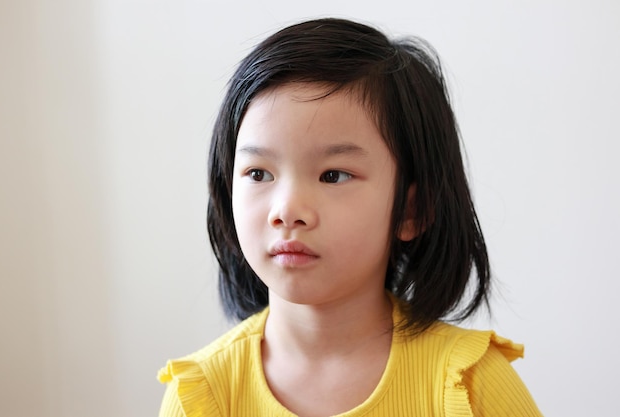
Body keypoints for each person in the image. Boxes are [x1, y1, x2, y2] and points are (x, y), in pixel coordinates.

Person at [157, 17, 542, 417]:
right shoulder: (202, 396)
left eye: (333, 175)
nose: (287, 210)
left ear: (412, 210)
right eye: (259, 174)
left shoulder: (471, 384)